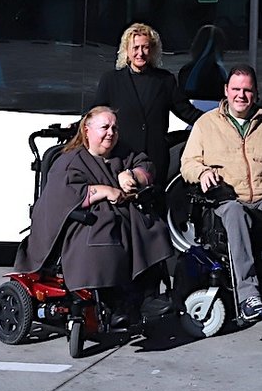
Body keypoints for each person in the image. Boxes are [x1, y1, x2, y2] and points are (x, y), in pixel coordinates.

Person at [14, 106, 173, 322]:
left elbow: (146, 166)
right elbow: (64, 195)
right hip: (85, 219)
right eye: (105, 127)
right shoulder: (70, 161)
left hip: (126, 214)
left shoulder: (123, 153)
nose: (111, 133)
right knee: (107, 233)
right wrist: (105, 191)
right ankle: (115, 305)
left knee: (152, 228)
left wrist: (133, 176)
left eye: (115, 128)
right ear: (87, 130)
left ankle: (147, 298)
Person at [178, 65, 262, 320]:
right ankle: (248, 293)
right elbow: (189, 163)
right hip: (229, 197)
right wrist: (203, 173)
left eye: (247, 90)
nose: (241, 95)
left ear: (255, 93)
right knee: (235, 212)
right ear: (226, 91)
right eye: (236, 89)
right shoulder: (206, 124)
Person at [93, 23, 203, 190]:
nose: (140, 53)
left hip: (155, 159)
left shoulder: (165, 80)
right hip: (121, 156)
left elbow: (186, 111)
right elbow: (95, 114)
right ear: (127, 51)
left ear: (152, 50)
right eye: (135, 47)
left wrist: (216, 121)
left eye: (145, 47)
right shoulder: (110, 80)